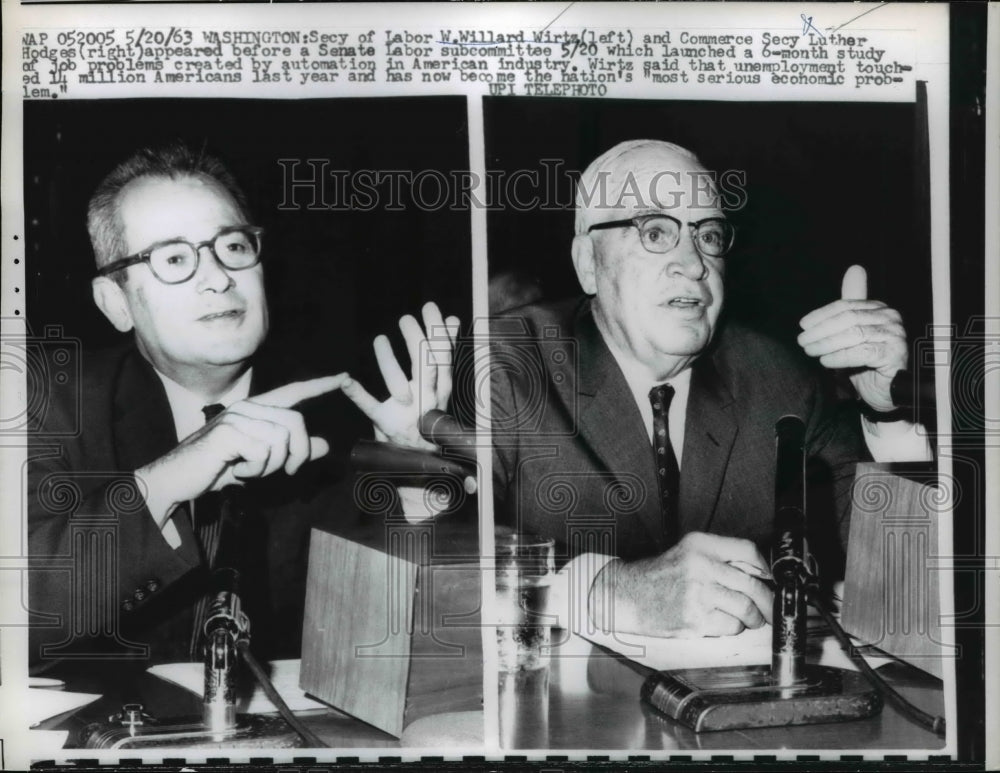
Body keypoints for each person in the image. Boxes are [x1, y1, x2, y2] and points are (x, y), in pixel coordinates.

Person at [27, 143, 458, 667]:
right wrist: (164, 482)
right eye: (175, 259)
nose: (218, 277)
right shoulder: (48, 404)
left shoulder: (344, 417)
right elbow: (22, 614)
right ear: (116, 302)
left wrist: (416, 503)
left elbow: (401, 653)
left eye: (232, 246)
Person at [483, 139, 929, 640]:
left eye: (709, 236)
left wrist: (890, 412)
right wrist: (604, 592)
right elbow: (439, 561)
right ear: (589, 261)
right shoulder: (505, 367)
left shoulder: (781, 381)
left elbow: (908, 595)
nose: (694, 264)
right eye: (655, 231)